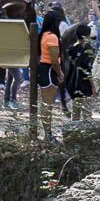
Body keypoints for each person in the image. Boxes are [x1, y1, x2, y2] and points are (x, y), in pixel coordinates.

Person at [37, 10, 64, 141]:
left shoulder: (43, 35)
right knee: (48, 105)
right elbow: (54, 60)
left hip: (44, 69)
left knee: (46, 104)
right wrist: (60, 73)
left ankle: (47, 133)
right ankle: (48, 135)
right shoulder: (52, 37)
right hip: (49, 71)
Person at [63, 23, 95, 120]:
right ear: (87, 36)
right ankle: (87, 129)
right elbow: (88, 69)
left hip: (73, 85)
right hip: (85, 85)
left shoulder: (72, 48)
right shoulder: (88, 49)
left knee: (76, 112)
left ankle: (74, 127)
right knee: (87, 114)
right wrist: (93, 86)